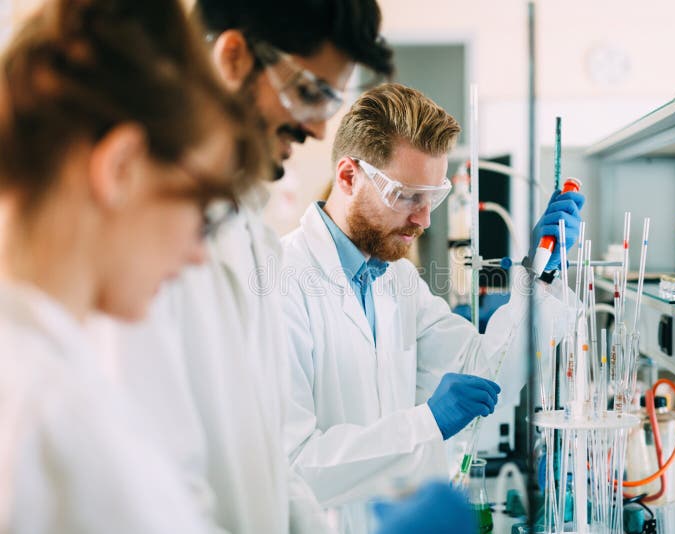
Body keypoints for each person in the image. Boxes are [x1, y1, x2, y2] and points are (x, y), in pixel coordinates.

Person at [89, 2, 472, 533]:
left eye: (330, 100)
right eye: (311, 93)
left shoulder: (251, 238)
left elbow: (268, 467)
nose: (318, 127)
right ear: (234, 58)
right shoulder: (147, 237)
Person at [0, 0, 263, 531]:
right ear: (120, 168)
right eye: (200, 208)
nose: (198, 253)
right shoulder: (52, 418)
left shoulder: (42, 370)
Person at [281, 83, 585, 533]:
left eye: (432, 197)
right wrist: (427, 423)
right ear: (348, 177)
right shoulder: (281, 281)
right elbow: (292, 467)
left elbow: (486, 372)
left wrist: (536, 274)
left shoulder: (397, 279)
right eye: (407, 196)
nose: (424, 219)